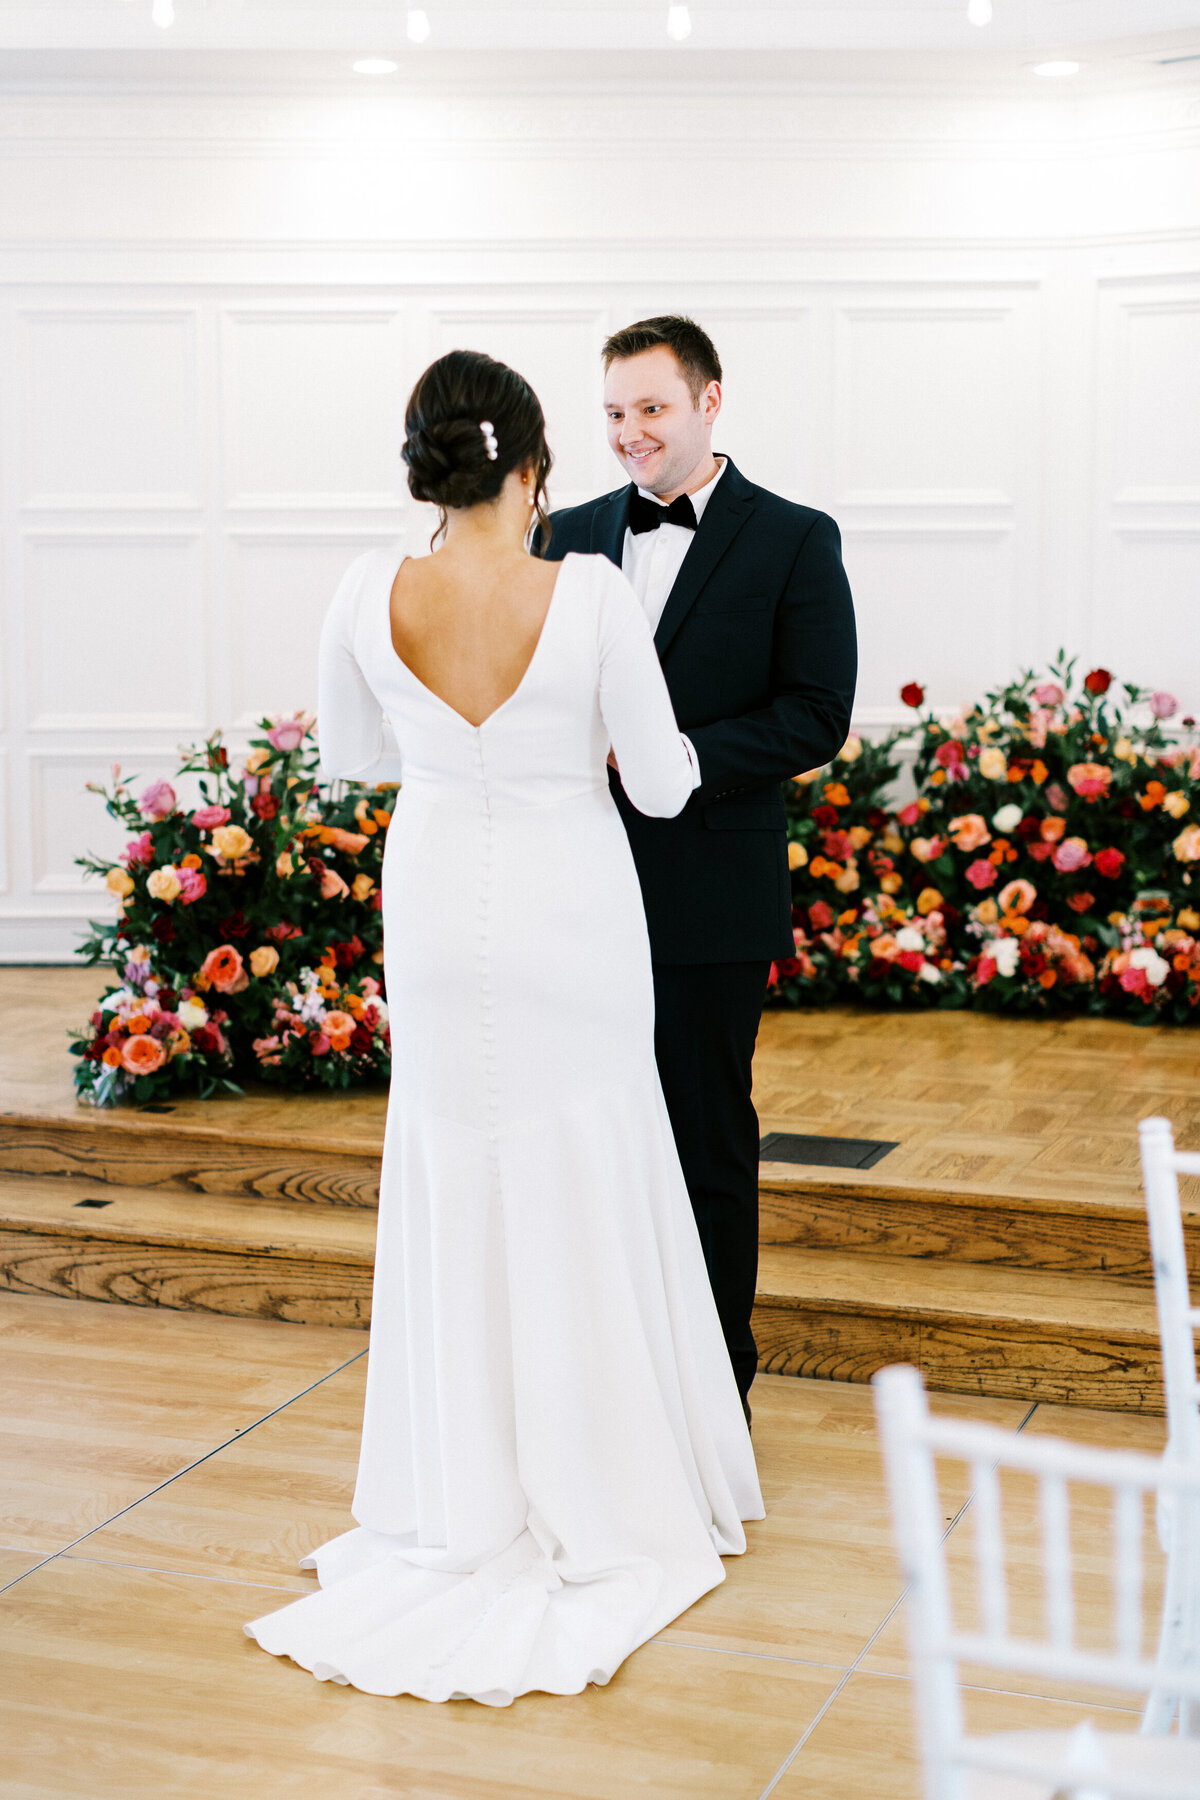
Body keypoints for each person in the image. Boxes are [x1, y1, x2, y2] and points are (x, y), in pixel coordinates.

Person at [244, 349, 763, 1705]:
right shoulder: (586, 591)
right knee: (584, 1158)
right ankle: (601, 1472)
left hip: (433, 904)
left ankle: (461, 1485)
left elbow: (354, 759)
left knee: (458, 1158)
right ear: (533, 467)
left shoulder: (369, 589)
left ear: (426, 467)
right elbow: (658, 788)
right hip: (570, 913)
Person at [535, 317, 857, 1419]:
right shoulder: (561, 535)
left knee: (704, 1137)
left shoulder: (795, 537)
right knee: (583, 1137)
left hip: (712, 896)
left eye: (652, 409)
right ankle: (604, 1385)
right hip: (575, 888)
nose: (629, 434)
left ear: (711, 400)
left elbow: (817, 714)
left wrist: (678, 761)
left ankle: (716, 1392)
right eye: (615, 413)